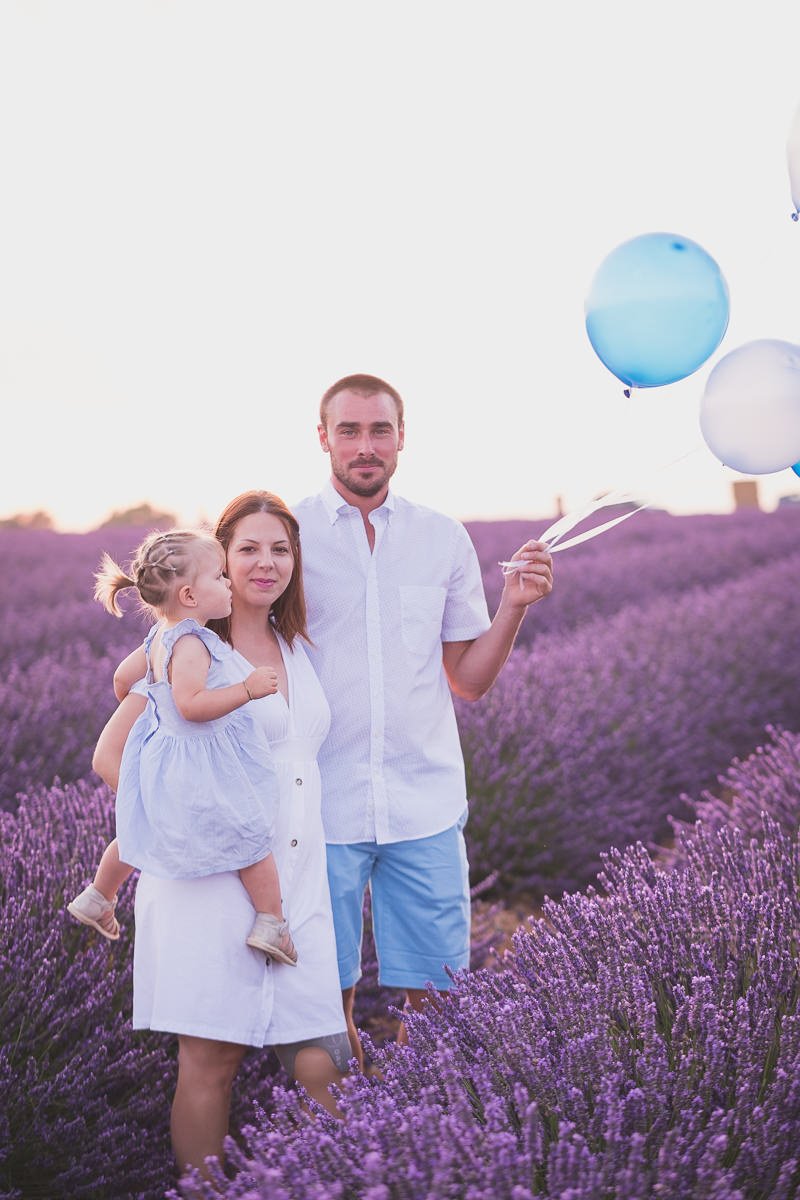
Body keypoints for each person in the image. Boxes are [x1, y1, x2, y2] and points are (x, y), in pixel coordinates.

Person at [293, 373, 554, 1067]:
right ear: (323, 438)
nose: (365, 445)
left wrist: (514, 607)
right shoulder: (286, 539)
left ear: (402, 438)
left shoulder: (442, 538)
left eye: (379, 430)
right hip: (320, 805)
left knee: (440, 999)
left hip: (425, 804)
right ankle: (342, 1149)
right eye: (348, 430)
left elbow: (467, 682)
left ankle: (410, 1139)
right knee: (324, 1003)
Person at [91, 493, 349, 1172]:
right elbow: (110, 760)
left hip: (296, 880)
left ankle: (344, 1183)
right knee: (211, 1061)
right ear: (221, 563)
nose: (266, 563)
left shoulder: (298, 646)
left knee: (325, 1053)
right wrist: (199, 816)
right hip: (207, 879)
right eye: (249, 549)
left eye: (281, 549)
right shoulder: (190, 648)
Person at [68, 527, 297, 965]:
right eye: (219, 577)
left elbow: (121, 679)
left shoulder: (159, 636)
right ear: (190, 595)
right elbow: (191, 705)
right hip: (201, 763)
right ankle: (272, 922)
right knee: (250, 835)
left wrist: (155, 705)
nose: (229, 583)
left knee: (140, 827)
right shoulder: (192, 643)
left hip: (164, 759)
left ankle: (99, 895)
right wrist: (246, 690)